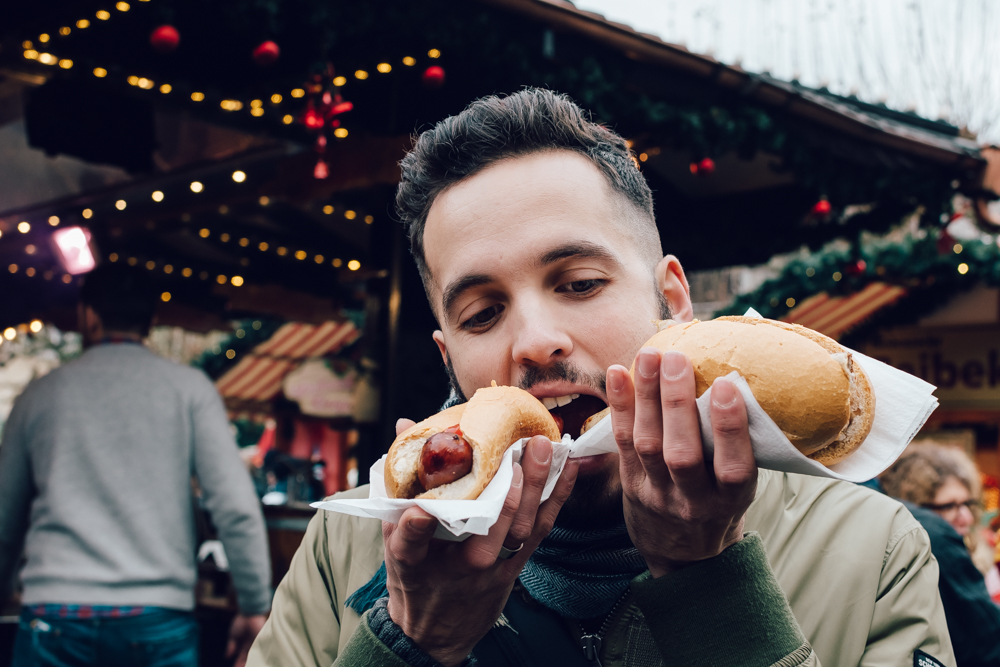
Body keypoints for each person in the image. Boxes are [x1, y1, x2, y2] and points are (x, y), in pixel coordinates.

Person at [247, 89, 953, 667]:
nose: (535, 341)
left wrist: (711, 586)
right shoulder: (346, 546)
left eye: (580, 283)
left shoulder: (875, 548)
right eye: (482, 313)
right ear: (448, 356)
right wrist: (409, 645)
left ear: (672, 301)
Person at [0, 264, 272, 667]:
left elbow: (5, 519)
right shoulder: (189, 389)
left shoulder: (39, 395)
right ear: (152, 320)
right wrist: (254, 606)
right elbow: (235, 507)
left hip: (56, 614)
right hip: (158, 618)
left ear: (88, 315)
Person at [876, 445, 1000, 667]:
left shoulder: (977, 552)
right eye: (950, 506)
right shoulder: (926, 549)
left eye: (967, 504)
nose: (966, 517)